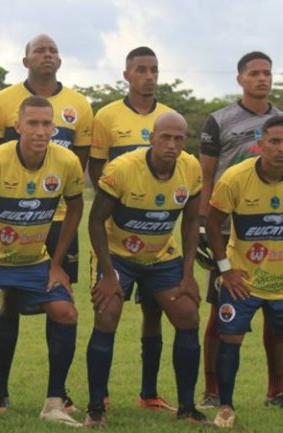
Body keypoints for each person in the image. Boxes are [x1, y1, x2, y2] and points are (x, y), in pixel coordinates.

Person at [0, 95, 84, 430]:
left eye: (46, 124)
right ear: (18, 127)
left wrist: (57, 264)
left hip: (33, 260)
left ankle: (54, 403)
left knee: (66, 312)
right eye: (33, 123)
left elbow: (76, 207)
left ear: (53, 128)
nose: (40, 131)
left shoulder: (66, 161)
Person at [0, 34, 92, 413]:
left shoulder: (79, 104)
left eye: (53, 51)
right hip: (12, 218)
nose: (48, 56)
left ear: (60, 60)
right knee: (8, 301)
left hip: (56, 218)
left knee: (58, 297)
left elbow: (78, 166)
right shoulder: (1, 102)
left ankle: (57, 392)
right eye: (40, 51)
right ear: (25, 59)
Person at [87, 112, 208, 427]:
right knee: (107, 314)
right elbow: (96, 221)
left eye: (178, 139)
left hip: (161, 256)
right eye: (165, 137)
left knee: (188, 315)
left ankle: (187, 408)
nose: (171, 144)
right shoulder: (123, 168)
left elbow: (191, 222)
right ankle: (96, 408)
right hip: (117, 256)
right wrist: (108, 274)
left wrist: (187, 275)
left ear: (185, 141)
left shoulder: (191, 168)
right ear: (152, 138)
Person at [206, 115, 283, 429]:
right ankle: (226, 408)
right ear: (261, 143)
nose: (281, 148)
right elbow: (212, 224)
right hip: (243, 280)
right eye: (275, 141)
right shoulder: (235, 177)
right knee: (229, 337)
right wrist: (226, 270)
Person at [198, 51, 283, 409]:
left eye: (267, 73)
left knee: (278, 309)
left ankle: (277, 392)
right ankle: (212, 392)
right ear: (240, 78)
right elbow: (206, 176)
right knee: (221, 310)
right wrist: (202, 223)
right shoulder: (218, 120)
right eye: (254, 73)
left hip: (274, 230)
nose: (262, 78)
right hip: (229, 231)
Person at [87, 46, 175, 412]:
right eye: (141, 69)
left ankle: (149, 394)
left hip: (155, 235)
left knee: (154, 312)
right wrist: (118, 203)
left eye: (154, 69)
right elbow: (96, 168)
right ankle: (101, 394)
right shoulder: (107, 116)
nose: (149, 76)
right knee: (109, 309)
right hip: (116, 234)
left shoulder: (168, 118)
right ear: (127, 75)